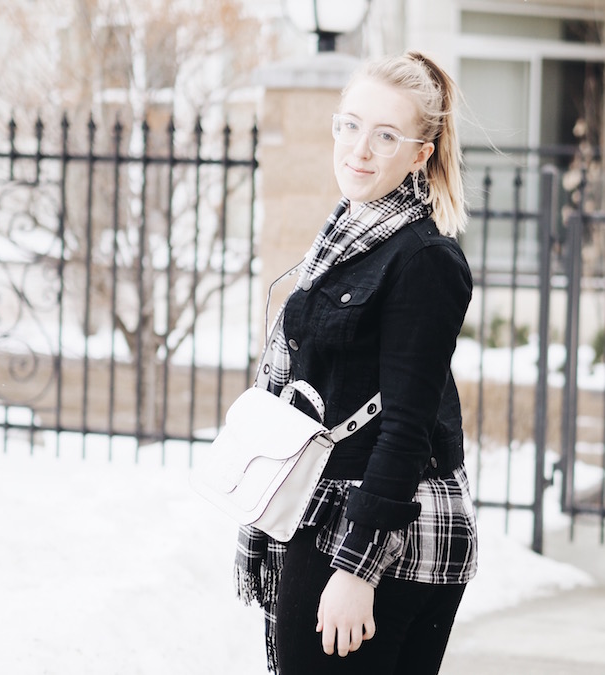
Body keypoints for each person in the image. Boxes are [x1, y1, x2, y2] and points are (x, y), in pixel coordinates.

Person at [234, 51, 478, 675]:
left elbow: (407, 427)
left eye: (385, 135)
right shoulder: (345, 240)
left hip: (380, 534)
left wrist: (356, 569)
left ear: (420, 153)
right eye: (349, 125)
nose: (359, 149)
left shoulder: (423, 260)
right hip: (319, 513)